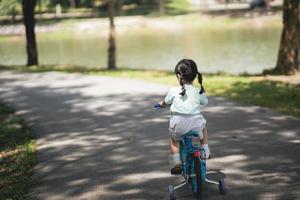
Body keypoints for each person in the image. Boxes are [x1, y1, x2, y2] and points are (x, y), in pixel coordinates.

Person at [156, 58, 210, 174]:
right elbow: (205, 102)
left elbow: (165, 102)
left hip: (179, 126)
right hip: (196, 125)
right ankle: (206, 150)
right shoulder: (198, 91)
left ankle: (176, 164)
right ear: (195, 75)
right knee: (204, 128)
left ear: (179, 76)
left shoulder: (173, 90)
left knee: (174, 140)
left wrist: (161, 104)